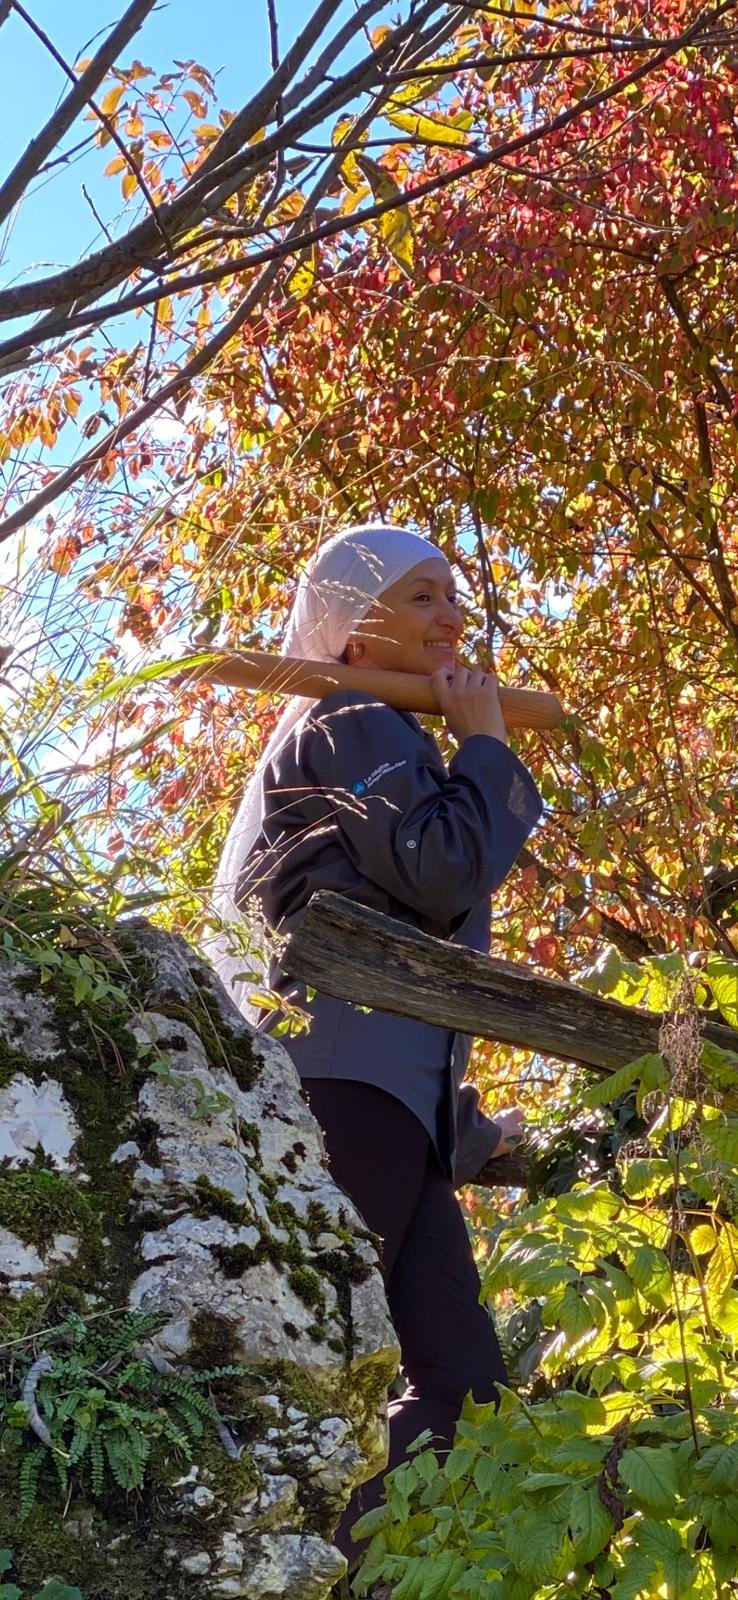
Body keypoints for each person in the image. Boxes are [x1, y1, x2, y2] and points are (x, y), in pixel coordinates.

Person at [211, 523, 543, 1580]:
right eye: (424, 597)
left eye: (455, 595)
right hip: (339, 1098)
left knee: (467, 1393)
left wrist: (471, 1130)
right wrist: (487, 748)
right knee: (319, 1363)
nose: (454, 617)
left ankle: (336, 1559)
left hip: (389, 1113)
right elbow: (440, 872)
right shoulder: (350, 714)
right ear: (355, 631)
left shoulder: (383, 730)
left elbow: (416, 970)